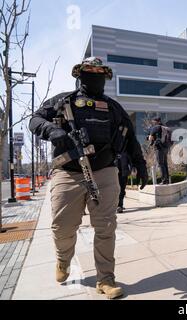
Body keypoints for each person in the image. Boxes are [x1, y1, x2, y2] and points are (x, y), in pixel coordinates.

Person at [29, 57, 148, 299]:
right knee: (62, 227)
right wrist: (52, 130)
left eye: (99, 71)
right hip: (69, 172)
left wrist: (140, 164)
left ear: (105, 76)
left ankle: (105, 279)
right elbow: (35, 119)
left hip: (104, 172)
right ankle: (63, 260)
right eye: (89, 70)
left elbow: (130, 138)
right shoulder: (64, 101)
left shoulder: (113, 107)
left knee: (105, 227)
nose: (94, 74)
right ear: (79, 74)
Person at [147, 117, 171, 185]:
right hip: (165, 148)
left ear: (155, 121)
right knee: (165, 164)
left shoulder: (155, 127)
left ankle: (164, 180)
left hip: (159, 148)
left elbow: (150, 137)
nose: (152, 123)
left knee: (160, 164)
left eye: (153, 121)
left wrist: (150, 139)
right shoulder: (164, 127)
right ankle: (167, 180)